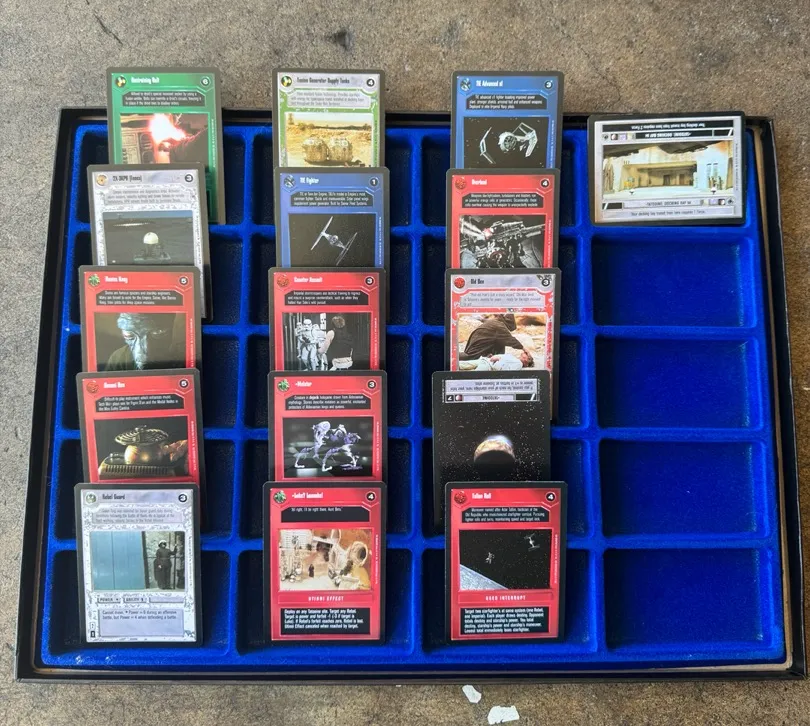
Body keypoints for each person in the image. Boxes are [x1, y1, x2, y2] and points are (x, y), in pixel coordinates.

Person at [105, 312, 178, 371]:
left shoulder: (179, 355)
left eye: (157, 332)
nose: (145, 356)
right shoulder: (119, 358)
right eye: (129, 335)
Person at [458, 313, 528, 361]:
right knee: (470, 357)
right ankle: (453, 356)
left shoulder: (496, 322)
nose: (508, 330)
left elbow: (503, 340)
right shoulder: (499, 326)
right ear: (508, 323)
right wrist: (524, 349)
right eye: (509, 328)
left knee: (501, 342)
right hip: (477, 344)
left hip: (479, 341)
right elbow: (511, 340)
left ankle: (494, 358)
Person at [458, 350, 534, 371]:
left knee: (472, 377)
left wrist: (497, 360)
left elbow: (507, 371)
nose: (525, 353)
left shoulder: (519, 364)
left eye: (527, 355)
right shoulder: (515, 359)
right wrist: (493, 357)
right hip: (485, 360)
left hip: (488, 365)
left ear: (527, 362)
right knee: (460, 364)